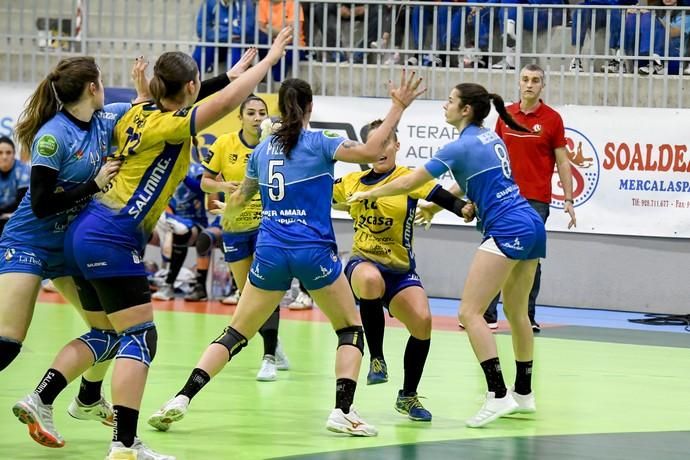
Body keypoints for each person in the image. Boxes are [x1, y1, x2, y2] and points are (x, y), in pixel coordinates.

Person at [23, 30, 292, 460]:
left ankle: (47, 398)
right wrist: (269, 61)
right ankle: (125, 444)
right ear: (187, 88)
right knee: (140, 338)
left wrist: (226, 75)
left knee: (106, 334)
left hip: (84, 234)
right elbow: (219, 104)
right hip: (111, 238)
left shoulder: (137, 111)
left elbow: (187, 96)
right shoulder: (169, 123)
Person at [146, 71, 425, 437]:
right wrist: (398, 107)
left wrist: (224, 209)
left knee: (235, 333)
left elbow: (242, 197)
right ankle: (343, 411)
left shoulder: (262, 149)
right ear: (310, 107)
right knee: (350, 331)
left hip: (270, 252)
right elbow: (372, 151)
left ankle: (180, 398)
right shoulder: (321, 141)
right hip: (313, 253)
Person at [348, 82, 545, 428]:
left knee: (470, 313)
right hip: (530, 222)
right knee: (516, 312)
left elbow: (410, 182)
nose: (445, 106)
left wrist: (370, 193)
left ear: (466, 109)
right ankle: (524, 393)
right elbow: (473, 182)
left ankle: (498, 394)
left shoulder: (458, 146)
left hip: (506, 227)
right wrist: (436, 210)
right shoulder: (489, 138)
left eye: (450, 101)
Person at [3, 57, 149, 449]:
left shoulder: (106, 119)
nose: (105, 86)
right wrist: (95, 184)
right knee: (8, 341)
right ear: (92, 88)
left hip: (69, 247)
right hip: (28, 242)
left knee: (111, 332)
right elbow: (40, 204)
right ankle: (56, 399)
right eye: (101, 80)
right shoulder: (54, 136)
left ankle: (85, 398)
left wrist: (228, 80)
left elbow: (164, 103)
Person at [332, 119, 470, 422]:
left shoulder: (409, 178)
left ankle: (408, 396)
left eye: (386, 143)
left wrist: (463, 209)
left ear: (397, 145)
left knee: (422, 322)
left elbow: (443, 198)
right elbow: (315, 197)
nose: (380, 150)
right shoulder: (351, 182)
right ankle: (377, 359)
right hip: (363, 261)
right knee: (369, 280)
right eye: (374, 144)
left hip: (399, 269)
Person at [198, 95, 290, 382]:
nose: (256, 117)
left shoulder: (274, 145)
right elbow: (205, 181)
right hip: (234, 225)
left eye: (261, 112)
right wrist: (224, 185)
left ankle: (269, 357)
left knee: (267, 288)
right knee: (245, 294)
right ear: (240, 117)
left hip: (267, 226)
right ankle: (274, 343)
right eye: (250, 112)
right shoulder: (225, 143)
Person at [482, 63, 575, 332]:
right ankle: (487, 315)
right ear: (519, 83)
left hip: (536, 200)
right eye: (525, 79)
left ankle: (526, 316)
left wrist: (568, 199)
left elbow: (563, 161)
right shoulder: (505, 114)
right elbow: (491, 156)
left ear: (542, 85)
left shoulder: (552, 119)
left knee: (529, 259)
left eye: (535, 80)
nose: (530, 84)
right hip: (501, 197)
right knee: (494, 253)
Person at [151, 162, 210, 301]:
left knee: (181, 232)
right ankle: (137, 282)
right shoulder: (164, 172)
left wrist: (181, 173)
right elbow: (166, 204)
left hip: (196, 224)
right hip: (171, 224)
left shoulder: (196, 169)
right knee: (140, 233)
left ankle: (168, 285)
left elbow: (200, 188)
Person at [0, 136, 30, 235]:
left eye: (8, 153)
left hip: (16, 216)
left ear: (14, 155)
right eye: (0, 153)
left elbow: (21, 201)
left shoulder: (24, 170)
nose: (4, 157)